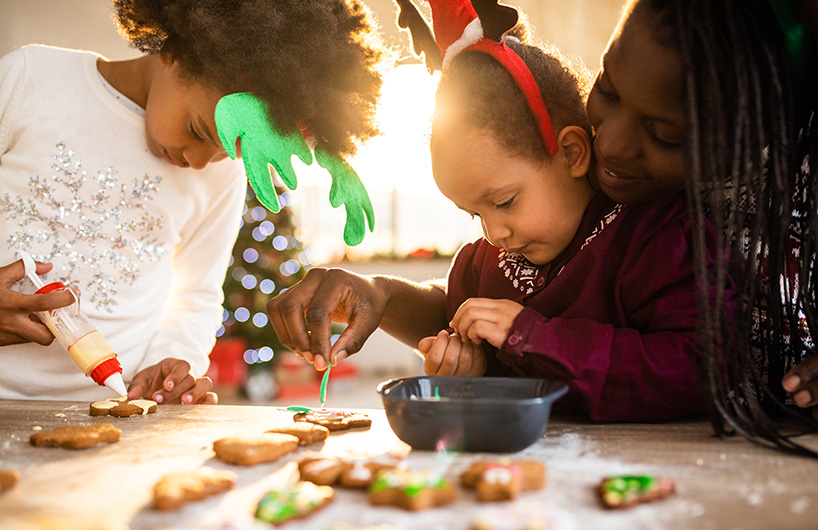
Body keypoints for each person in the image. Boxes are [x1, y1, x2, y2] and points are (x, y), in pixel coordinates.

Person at [267, 0, 727, 422]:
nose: (493, 232)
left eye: (504, 201)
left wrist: (532, 336)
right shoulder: (494, 257)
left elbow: (699, 366)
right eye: (473, 213)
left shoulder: (658, 236)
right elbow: (452, 312)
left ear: (570, 152)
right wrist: (385, 296)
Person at [0, 0, 386, 403]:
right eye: (200, 130)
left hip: (117, 410)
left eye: (227, 153)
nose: (200, 162)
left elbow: (197, 296)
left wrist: (172, 360)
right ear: (176, 51)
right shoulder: (29, 80)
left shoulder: (222, 176)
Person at [583, 0, 818, 451]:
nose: (612, 145)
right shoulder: (580, 171)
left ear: (765, 126)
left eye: (667, 135)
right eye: (608, 87)